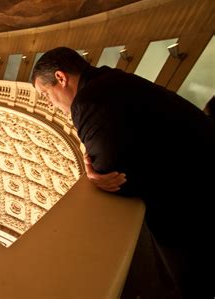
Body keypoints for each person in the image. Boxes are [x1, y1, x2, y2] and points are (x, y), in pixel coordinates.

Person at [31, 47, 215, 298]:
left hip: (191, 202)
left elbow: (112, 175)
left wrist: (94, 172)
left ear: (61, 78)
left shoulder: (87, 102)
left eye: (46, 94)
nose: (50, 104)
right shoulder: (113, 78)